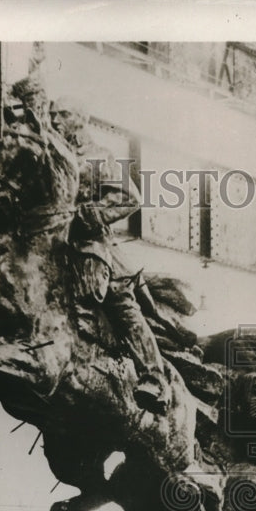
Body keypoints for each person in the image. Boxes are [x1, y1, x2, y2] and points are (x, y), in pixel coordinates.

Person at [49, 97, 171, 415]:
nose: (55, 121)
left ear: (79, 118)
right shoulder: (53, 155)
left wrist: (96, 213)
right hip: (54, 243)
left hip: (93, 243)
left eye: (61, 115)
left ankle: (154, 379)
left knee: (121, 302)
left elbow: (131, 197)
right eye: (52, 116)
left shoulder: (99, 157)